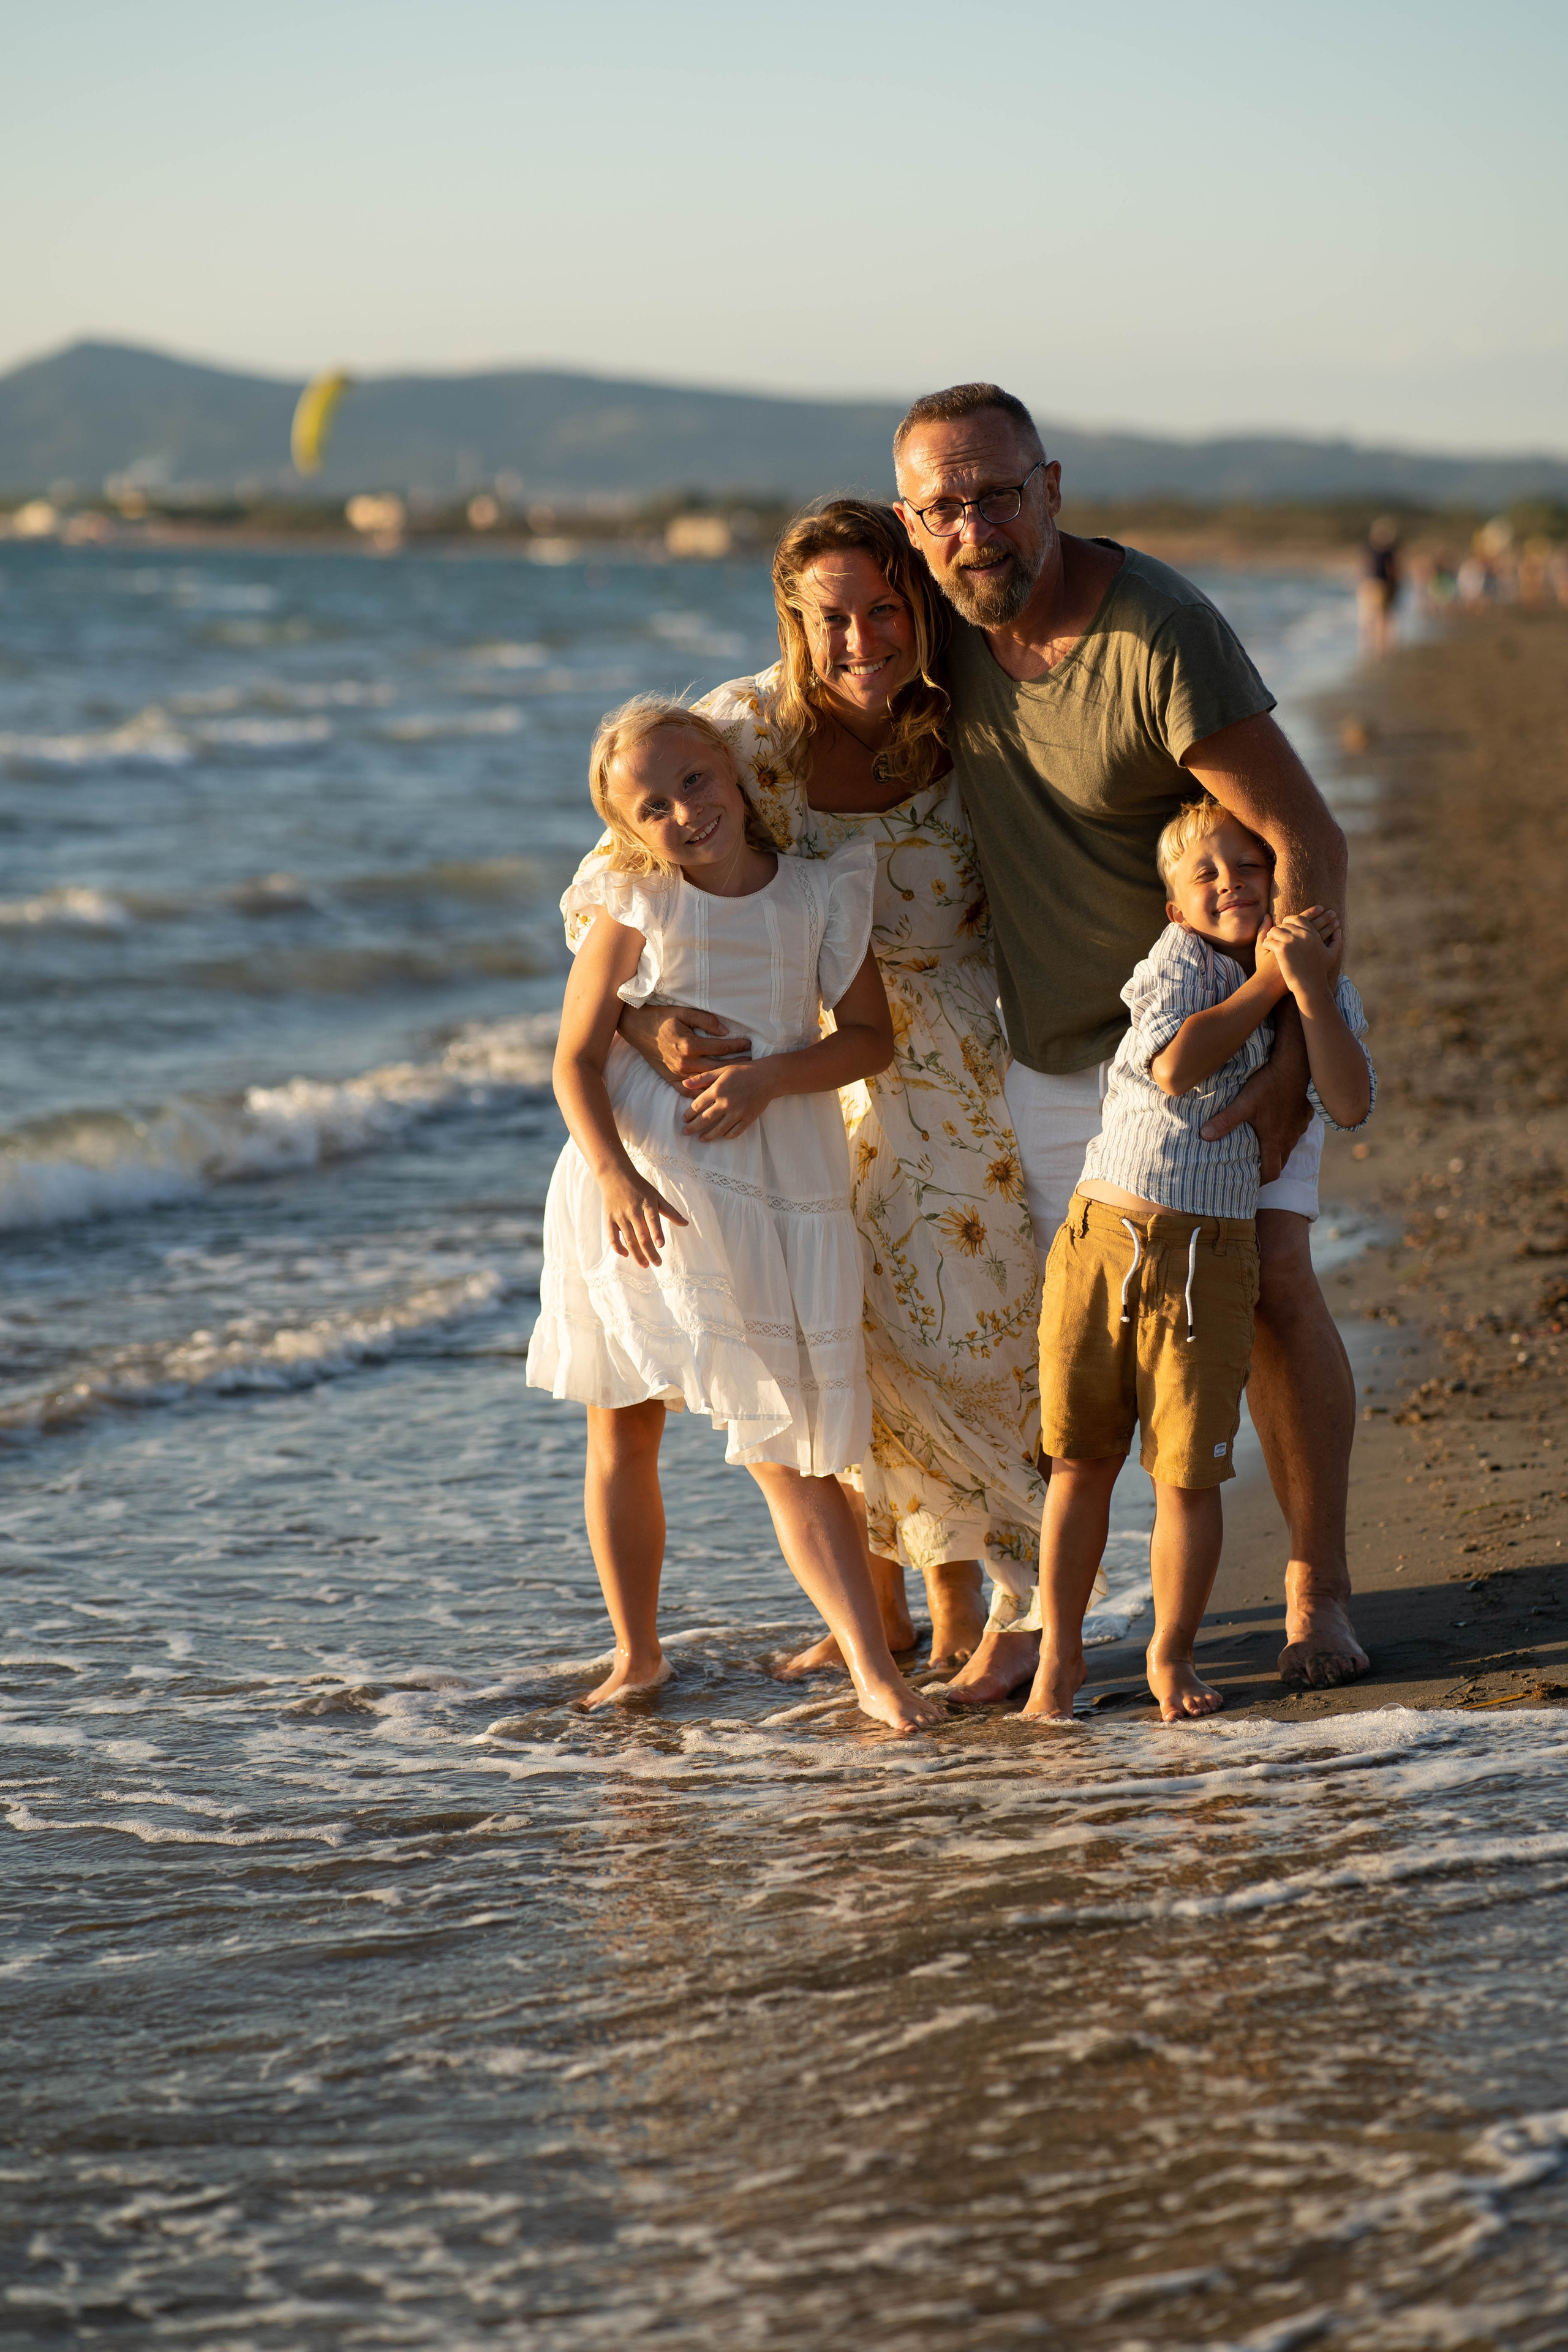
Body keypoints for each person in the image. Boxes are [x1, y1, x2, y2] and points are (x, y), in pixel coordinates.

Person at [891, 382, 1370, 1698]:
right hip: (1058, 1056)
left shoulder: (1155, 632)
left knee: (1270, 1289)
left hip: (1222, 1039)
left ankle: (1313, 1587)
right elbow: (805, 696)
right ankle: (1048, 1620)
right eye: (943, 507)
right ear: (910, 522)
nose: (973, 527)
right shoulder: (936, 619)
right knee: (1077, 1340)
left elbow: (1306, 846)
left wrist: (1285, 1057)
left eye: (997, 494)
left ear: (1050, 487)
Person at [608, 502, 1050, 1672]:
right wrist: (645, 1020)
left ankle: (1013, 1607)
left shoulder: (975, 706)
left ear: (920, 606)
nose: (863, 641)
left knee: (963, 1331)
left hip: (951, 1059)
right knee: (838, 1340)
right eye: (832, 619)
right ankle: (892, 1607)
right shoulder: (745, 730)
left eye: (886, 610)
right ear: (793, 624)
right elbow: (614, 881)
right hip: (796, 1076)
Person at [526, 695, 943, 1735]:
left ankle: (874, 1672)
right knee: (622, 1427)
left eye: (694, 782)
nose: (682, 814)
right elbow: (576, 1060)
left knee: (788, 1442)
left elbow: (866, 1041)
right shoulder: (634, 902)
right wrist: (615, 1177)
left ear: (735, 769)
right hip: (642, 1186)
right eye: (652, 806)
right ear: (627, 832)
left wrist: (772, 1081)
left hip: (776, 1178)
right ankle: (637, 1652)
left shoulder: (816, 897)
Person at [1026, 797, 1374, 1725]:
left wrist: (1306, 988)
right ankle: (1056, 1661)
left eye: (1248, 869)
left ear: (1282, 881)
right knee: (1080, 1458)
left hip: (1209, 1257)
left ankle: (1169, 1656)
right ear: (1174, 906)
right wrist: (1265, 985)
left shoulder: (1315, 981)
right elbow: (1176, 1069)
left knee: (1186, 1472)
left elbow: (1347, 1101)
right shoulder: (1175, 964)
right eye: (1205, 876)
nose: (1230, 886)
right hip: (1103, 1237)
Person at [1357, 518, 1401, 658]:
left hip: (1370, 584)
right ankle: (1380, 647)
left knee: (1370, 616)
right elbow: (1392, 570)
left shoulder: (1369, 549)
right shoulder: (1389, 551)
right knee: (1382, 617)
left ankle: (1369, 645)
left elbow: (1363, 567)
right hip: (1381, 585)